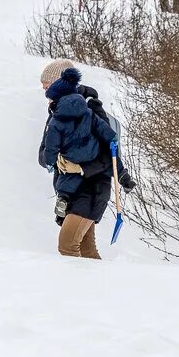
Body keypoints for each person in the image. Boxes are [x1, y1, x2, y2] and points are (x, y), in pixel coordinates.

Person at [37, 60, 135, 259]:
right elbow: (43, 153)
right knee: (86, 249)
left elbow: (111, 156)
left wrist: (80, 168)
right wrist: (56, 160)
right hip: (69, 190)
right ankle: (95, 287)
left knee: (68, 245)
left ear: (60, 82)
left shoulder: (91, 109)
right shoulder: (56, 111)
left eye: (47, 85)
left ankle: (76, 287)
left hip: (92, 189)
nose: (44, 91)